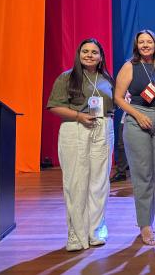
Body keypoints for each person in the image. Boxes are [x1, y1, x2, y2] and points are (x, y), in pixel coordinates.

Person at [47, 38, 115, 252]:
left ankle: (95, 230)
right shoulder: (67, 78)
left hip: (103, 128)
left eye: (94, 52)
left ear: (101, 57)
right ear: (78, 54)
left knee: (99, 183)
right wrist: (78, 116)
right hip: (75, 128)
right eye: (85, 51)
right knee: (76, 183)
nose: (89, 55)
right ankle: (76, 234)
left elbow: (113, 104)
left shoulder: (106, 79)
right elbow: (54, 107)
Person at [114, 29, 155, 246]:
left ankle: (150, 221)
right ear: (136, 46)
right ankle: (144, 226)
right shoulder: (130, 66)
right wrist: (137, 115)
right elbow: (118, 98)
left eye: (149, 42)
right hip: (137, 119)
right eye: (141, 42)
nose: (145, 45)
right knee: (143, 176)